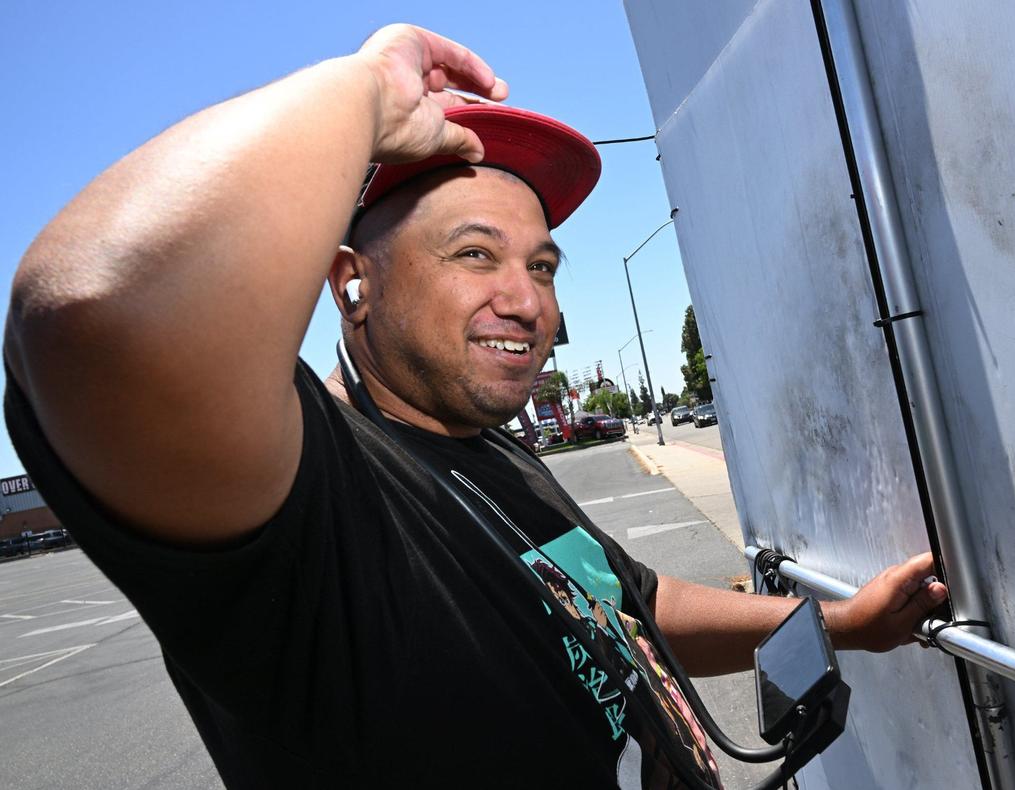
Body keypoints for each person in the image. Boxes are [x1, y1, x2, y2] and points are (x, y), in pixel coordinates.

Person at [4, 23, 948, 789]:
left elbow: (632, 606)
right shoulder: (314, 492)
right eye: (473, 255)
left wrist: (838, 625)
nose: (527, 298)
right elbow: (96, 305)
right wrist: (365, 93)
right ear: (350, 285)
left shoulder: (485, 444)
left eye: (539, 264)